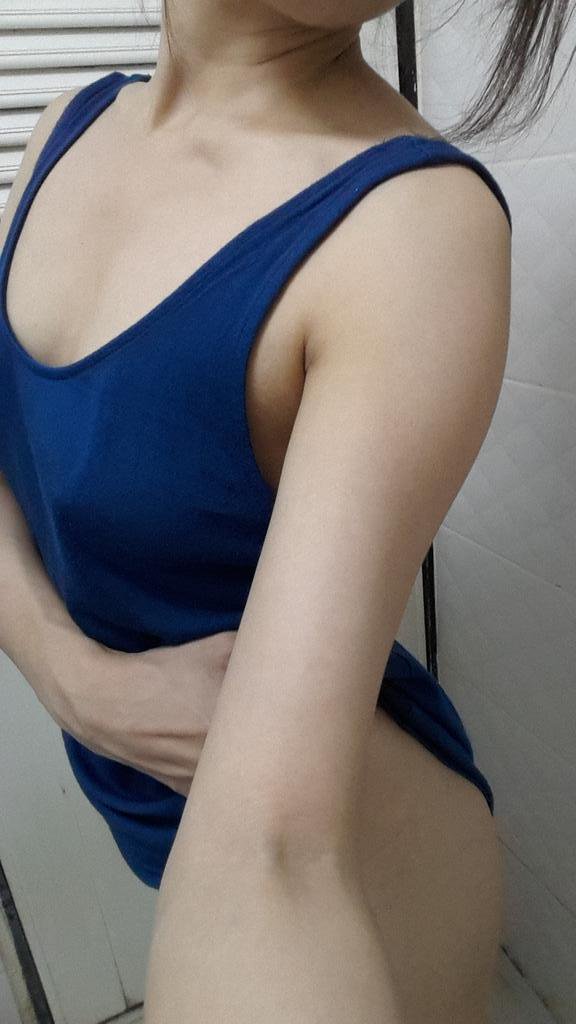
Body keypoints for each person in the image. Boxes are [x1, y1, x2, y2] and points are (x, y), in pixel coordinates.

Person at [0, 1, 570, 1021]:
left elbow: (272, 851)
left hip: (365, 871)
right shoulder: (62, 132)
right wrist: (76, 682)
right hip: (162, 790)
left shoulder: (412, 226)